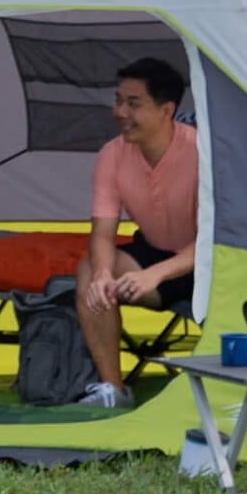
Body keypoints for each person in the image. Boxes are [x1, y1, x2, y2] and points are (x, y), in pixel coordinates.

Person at [71, 55, 198, 410]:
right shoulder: (111, 155)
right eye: (118, 101)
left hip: (208, 262)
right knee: (89, 272)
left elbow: (215, 239)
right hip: (154, 251)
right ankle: (112, 389)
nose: (120, 112)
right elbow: (102, 233)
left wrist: (153, 275)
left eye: (133, 103)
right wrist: (101, 274)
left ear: (166, 110)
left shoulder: (202, 152)